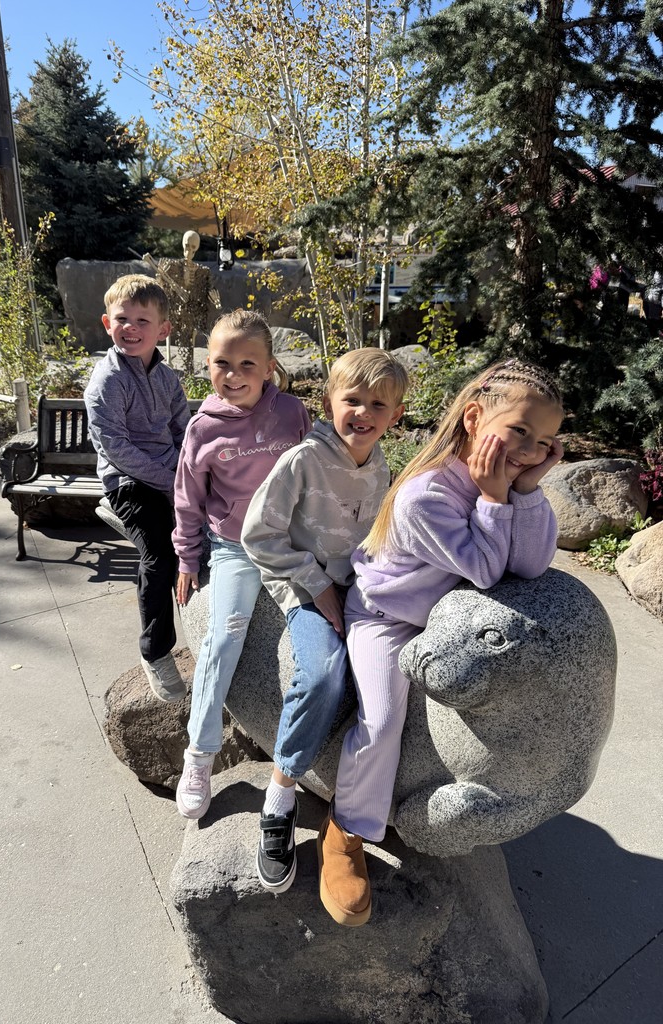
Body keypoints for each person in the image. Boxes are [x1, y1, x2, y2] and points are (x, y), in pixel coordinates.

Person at [318, 358, 564, 927]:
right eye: (520, 431)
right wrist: (497, 497)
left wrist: (524, 490)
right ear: (475, 418)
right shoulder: (426, 494)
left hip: (444, 619)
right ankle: (346, 829)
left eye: (546, 441)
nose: (531, 448)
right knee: (381, 720)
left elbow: (529, 564)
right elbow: (487, 570)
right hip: (387, 619)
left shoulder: (503, 482)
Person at [242, 348, 409, 893]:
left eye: (376, 405)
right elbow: (258, 536)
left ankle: (359, 806)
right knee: (322, 676)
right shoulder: (301, 462)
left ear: (396, 416)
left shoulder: (382, 465)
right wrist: (317, 587)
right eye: (351, 400)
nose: (362, 413)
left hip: (357, 588)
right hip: (303, 583)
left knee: (386, 680)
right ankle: (281, 794)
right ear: (327, 402)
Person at [173, 309, 311, 819]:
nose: (233, 375)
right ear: (207, 365)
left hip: (290, 541)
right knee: (225, 634)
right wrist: (188, 558)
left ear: (270, 367)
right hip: (235, 548)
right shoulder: (202, 430)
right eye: (221, 363)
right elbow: (188, 497)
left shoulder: (292, 413)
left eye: (246, 364)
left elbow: (313, 475)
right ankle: (200, 754)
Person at [84, 274, 190, 702]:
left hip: (169, 475)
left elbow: (185, 430)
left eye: (142, 320)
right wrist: (171, 484)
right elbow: (114, 446)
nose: (131, 327)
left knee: (211, 538)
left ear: (162, 329)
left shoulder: (167, 378)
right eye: (122, 319)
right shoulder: (107, 380)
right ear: (107, 323)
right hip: (126, 481)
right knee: (160, 555)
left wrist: (193, 473)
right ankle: (156, 651)